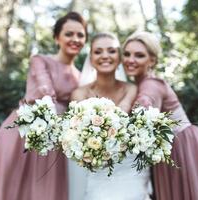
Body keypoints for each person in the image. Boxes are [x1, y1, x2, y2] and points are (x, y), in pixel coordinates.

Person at [0, 12, 87, 200]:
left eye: (80, 35)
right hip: (21, 133)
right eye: (69, 34)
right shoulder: (40, 60)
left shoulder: (81, 77)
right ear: (56, 37)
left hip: (55, 142)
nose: (75, 39)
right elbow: (45, 87)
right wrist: (50, 106)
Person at [122, 31, 198, 200]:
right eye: (126, 54)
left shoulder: (150, 84)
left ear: (152, 60)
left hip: (188, 152)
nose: (130, 60)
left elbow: (144, 106)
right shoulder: (144, 82)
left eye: (139, 55)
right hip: (190, 148)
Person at [70, 32, 152, 200]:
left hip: (132, 169)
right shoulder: (79, 94)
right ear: (91, 58)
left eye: (112, 51)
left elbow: (124, 111)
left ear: (120, 57)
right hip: (100, 171)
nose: (105, 56)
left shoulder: (131, 89)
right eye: (98, 51)